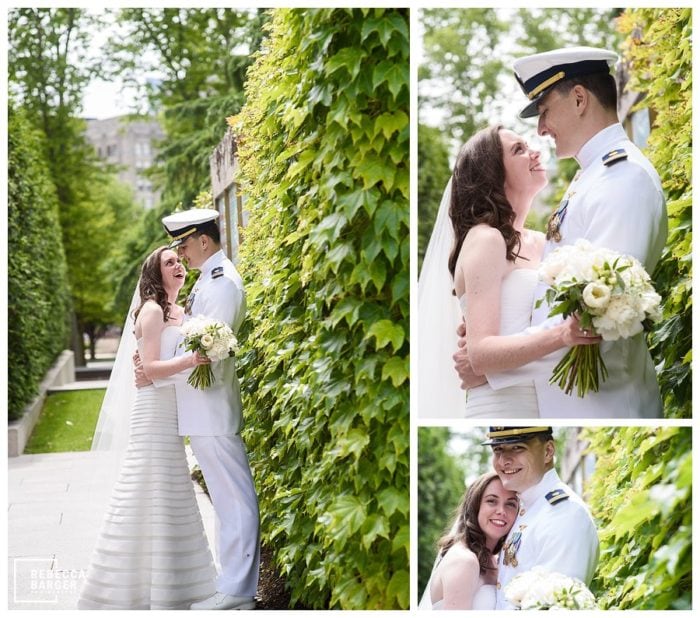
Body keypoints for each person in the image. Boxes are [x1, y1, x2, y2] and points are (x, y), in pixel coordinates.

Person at [455, 46, 668, 418]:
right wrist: (489, 344)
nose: (540, 128)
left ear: (580, 99)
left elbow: (601, 317)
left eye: (544, 110)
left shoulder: (622, 177)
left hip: (607, 404)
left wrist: (492, 368)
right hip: (571, 401)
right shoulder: (592, 176)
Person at [419, 125, 598, 418]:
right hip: (503, 406)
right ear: (493, 176)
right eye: (519, 150)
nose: (535, 151)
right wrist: (563, 334)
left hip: (553, 401)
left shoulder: (544, 243)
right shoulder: (486, 240)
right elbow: (481, 353)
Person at [78, 247, 217, 609]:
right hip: (153, 411)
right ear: (155, 273)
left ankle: (176, 583)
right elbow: (152, 369)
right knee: (145, 489)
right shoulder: (153, 311)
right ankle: (125, 587)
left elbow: (155, 365)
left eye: (179, 261)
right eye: (168, 262)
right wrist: (190, 359)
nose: (178, 266)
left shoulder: (182, 312)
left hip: (174, 409)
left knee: (171, 490)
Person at [137, 209, 260, 610]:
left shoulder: (222, 283)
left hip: (212, 406)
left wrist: (155, 369)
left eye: (184, 245)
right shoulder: (210, 279)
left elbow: (209, 353)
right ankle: (231, 585)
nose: (183, 254)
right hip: (201, 407)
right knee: (225, 502)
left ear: (203, 241)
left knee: (235, 501)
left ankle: (238, 590)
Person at [481, 426, 599, 609]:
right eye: (497, 450)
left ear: (548, 451)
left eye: (517, 447)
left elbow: (553, 606)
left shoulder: (565, 514)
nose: (504, 460)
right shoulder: (525, 507)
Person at [420, 472, 518, 610]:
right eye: (491, 501)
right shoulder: (465, 561)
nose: (501, 511)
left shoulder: (495, 561)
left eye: (510, 504)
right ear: (475, 506)